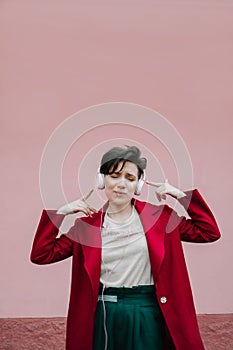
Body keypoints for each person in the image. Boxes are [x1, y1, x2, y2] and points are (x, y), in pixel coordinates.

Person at [30, 145, 221, 350]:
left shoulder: (160, 218)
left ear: (138, 185)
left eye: (130, 178)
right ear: (102, 180)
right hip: (104, 315)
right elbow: (42, 254)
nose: (121, 184)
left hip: (148, 311)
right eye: (114, 176)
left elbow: (208, 232)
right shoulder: (86, 227)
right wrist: (61, 212)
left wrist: (180, 195)